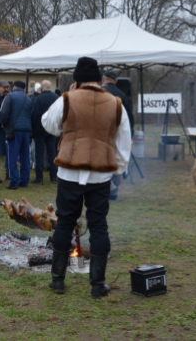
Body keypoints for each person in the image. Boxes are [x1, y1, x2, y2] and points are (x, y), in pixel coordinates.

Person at [42, 57, 131, 298]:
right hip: (100, 174)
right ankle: (97, 285)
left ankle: (58, 281)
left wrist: (67, 115)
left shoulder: (68, 99)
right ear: (99, 79)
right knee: (99, 226)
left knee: (64, 223)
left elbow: (48, 124)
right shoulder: (115, 103)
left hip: (69, 170)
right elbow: (124, 141)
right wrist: (118, 170)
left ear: (77, 80)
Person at [102, 71, 134, 200]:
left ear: (103, 79)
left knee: (104, 161)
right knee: (116, 159)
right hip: (119, 132)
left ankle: (109, 187)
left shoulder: (99, 93)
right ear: (115, 81)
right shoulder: (122, 95)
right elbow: (129, 118)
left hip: (103, 133)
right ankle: (114, 188)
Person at [0, 80, 33, 190]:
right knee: (25, 157)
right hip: (26, 130)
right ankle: (24, 180)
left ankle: (14, 181)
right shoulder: (28, 99)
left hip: (14, 130)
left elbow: (3, 113)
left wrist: (6, 126)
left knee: (12, 157)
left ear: (14, 87)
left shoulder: (10, 96)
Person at [31, 80, 59, 185]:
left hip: (40, 129)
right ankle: (53, 177)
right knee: (52, 153)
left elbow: (34, 114)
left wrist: (33, 127)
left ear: (41, 88)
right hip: (52, 129)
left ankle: (39, 178)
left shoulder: (38, 99)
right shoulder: (56, 98)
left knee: (39, 154)